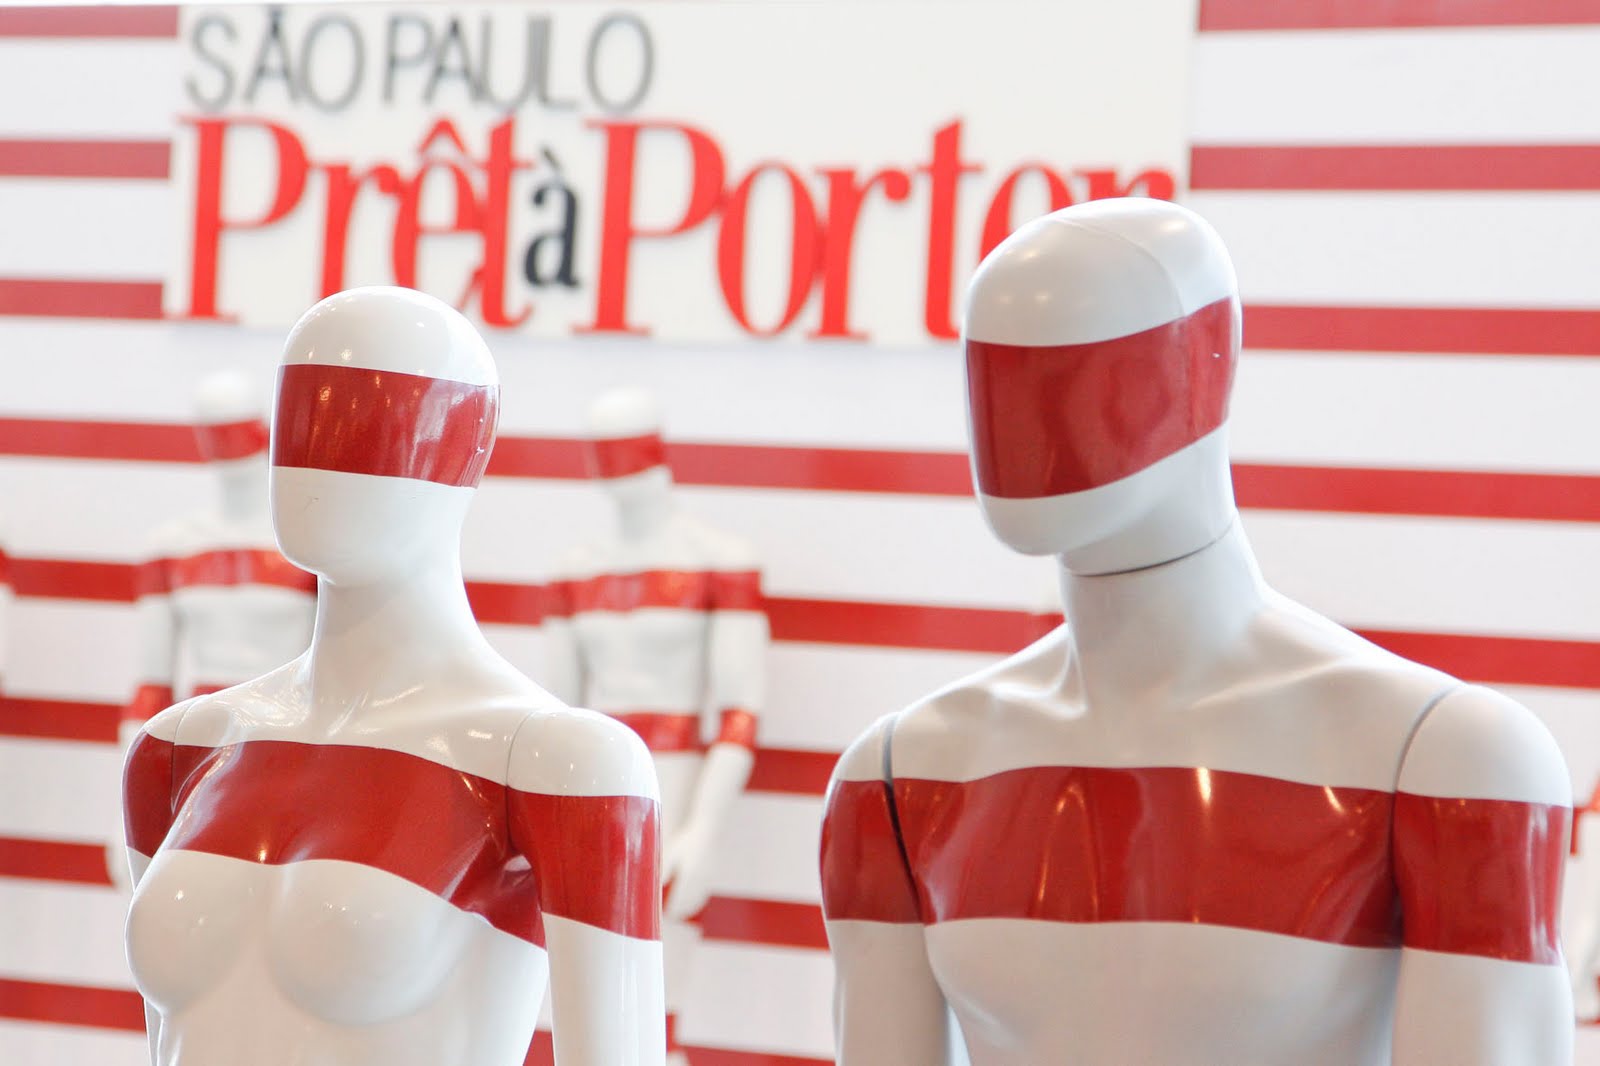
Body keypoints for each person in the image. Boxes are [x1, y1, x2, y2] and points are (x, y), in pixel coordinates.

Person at [820, 199, 1573, 1065]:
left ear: (1208, 361)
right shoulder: (899, 778)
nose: (1020, 414)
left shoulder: (1441, 760)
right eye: (993, 368)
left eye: (1076, 362)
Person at [122, 287, 665, 1066]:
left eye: (377, 415)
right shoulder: (179, 750)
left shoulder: (551, 764)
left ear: (463, 444)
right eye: (306, 409)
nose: (324, 454)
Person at [543, 387, 767, 1060]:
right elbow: (556, 713)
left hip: (677, 782)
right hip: (593, 786)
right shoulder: (573, 570)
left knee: (665, 966)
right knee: (591, 973)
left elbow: (741, 709)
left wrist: (705, 826)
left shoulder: (719, 560)